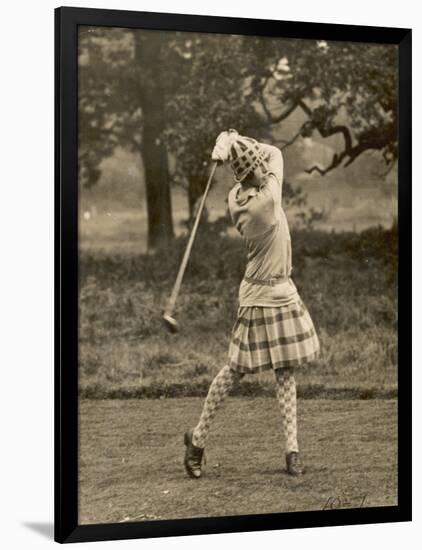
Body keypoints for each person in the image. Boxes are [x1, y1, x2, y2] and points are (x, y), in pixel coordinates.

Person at [183, 129, 320, 478]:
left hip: (281, 290)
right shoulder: (267, 201)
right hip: (260, 297)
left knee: (285, 370)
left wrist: (230, 143)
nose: (263, 167)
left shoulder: (235, 195)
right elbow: (275, 151)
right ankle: (197, 441)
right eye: (257, 166)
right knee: (235, 370)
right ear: (254, 170)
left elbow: (260, 161)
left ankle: (292, 450)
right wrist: (238, 137)